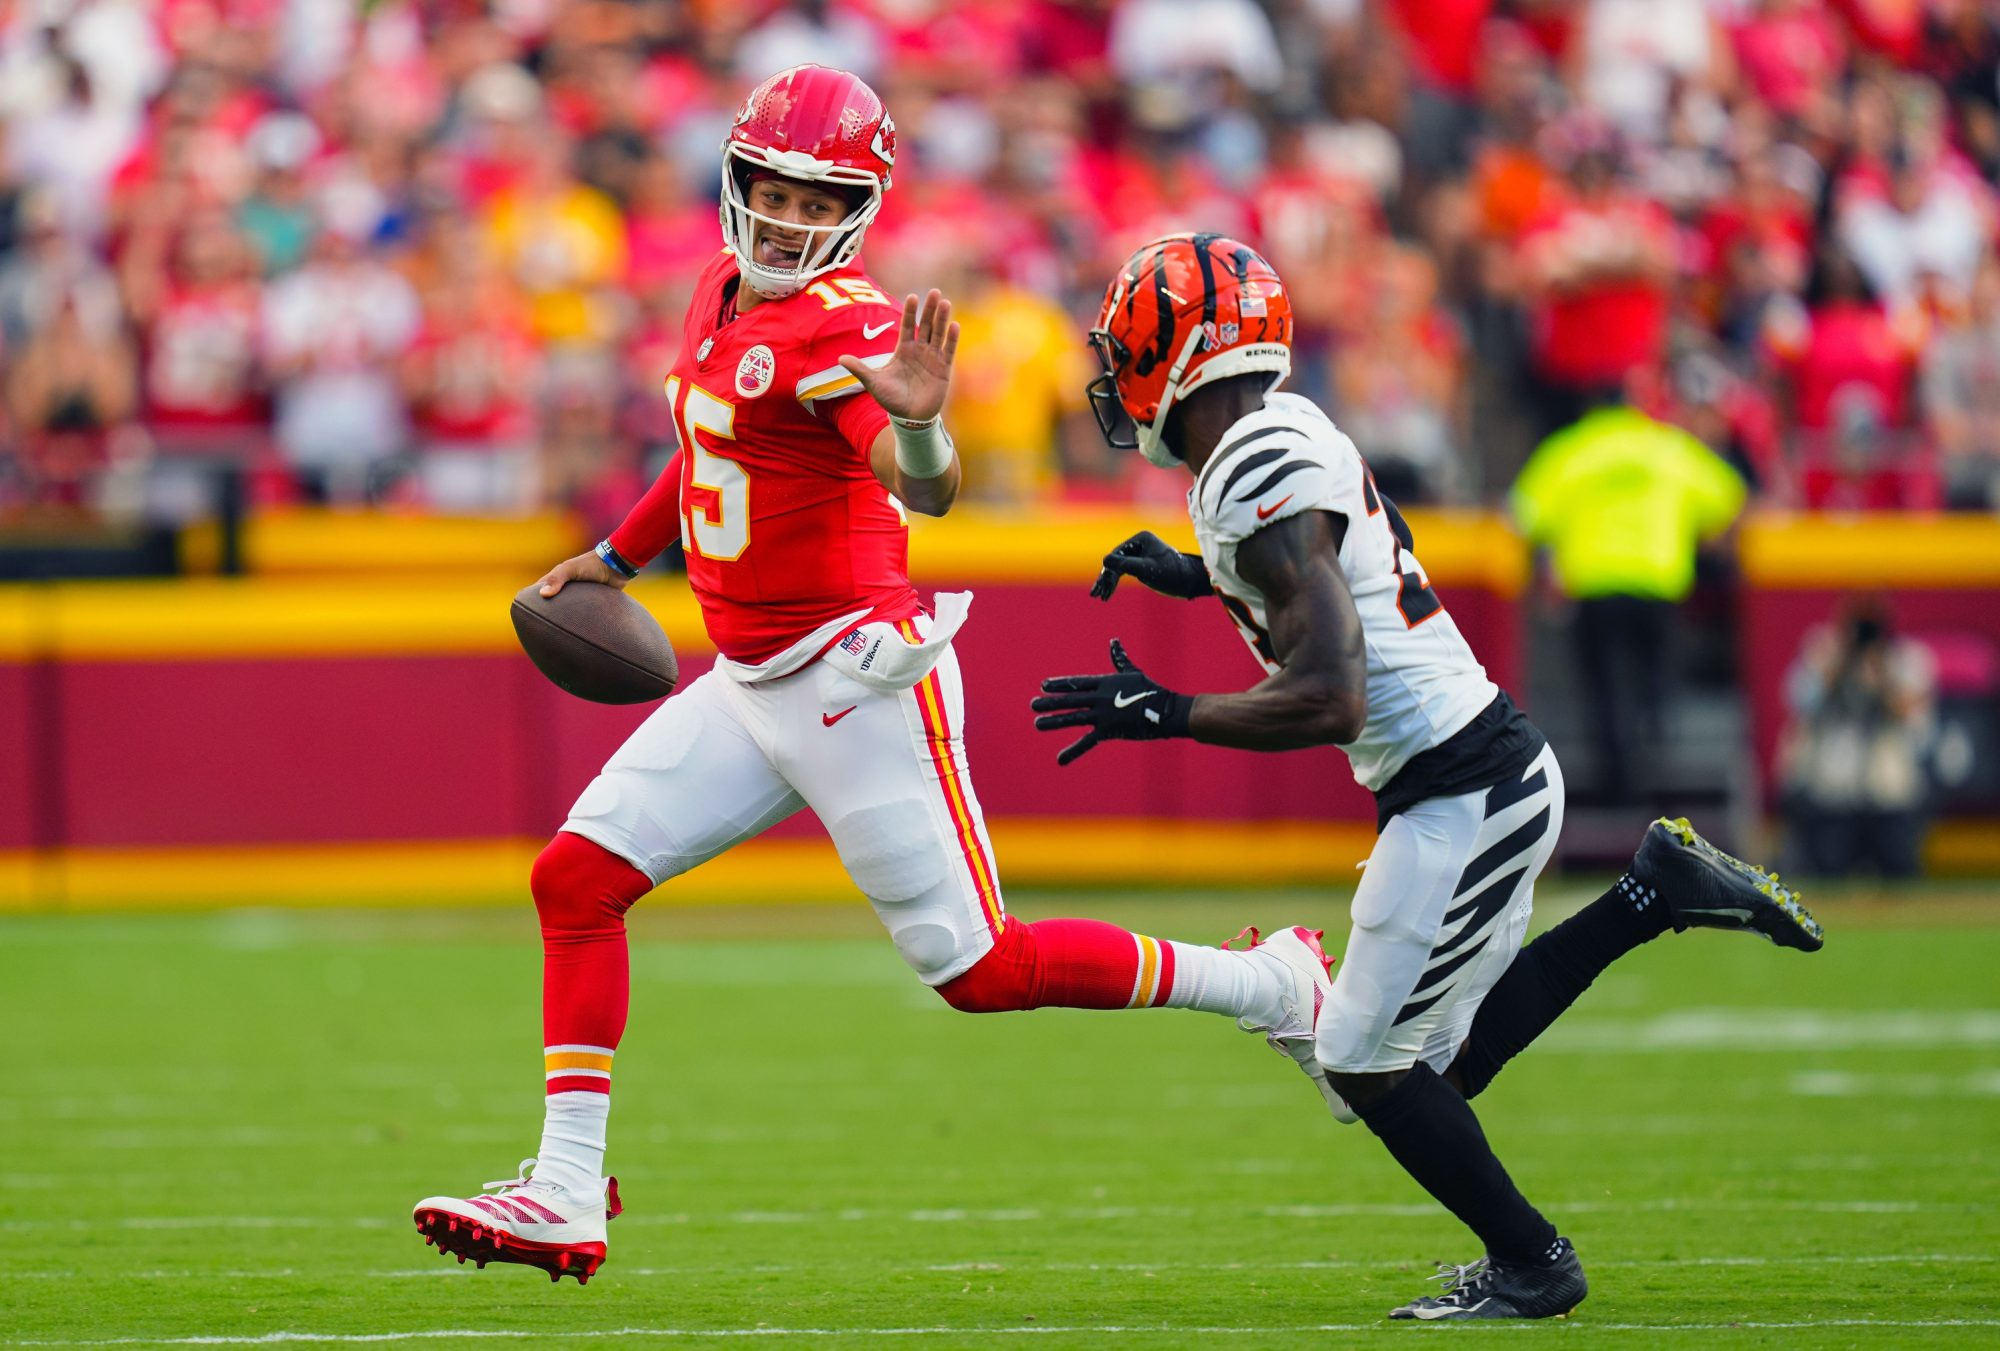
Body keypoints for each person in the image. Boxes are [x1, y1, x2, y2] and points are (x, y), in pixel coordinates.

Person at [410, 68, 1330, 1286]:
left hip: (852, 676)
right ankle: (567, 1188)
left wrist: (919, 423)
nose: (787, 219)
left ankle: (1269, 982)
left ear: (858, 206)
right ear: (736, 183)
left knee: (981, 970)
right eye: (771, 190)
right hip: (746, 677)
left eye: (816, 197)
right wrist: (619, 555)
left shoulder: (850, 326)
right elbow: (705, 445)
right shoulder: (716, 288)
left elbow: (926, 489)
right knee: (574, 879)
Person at [1034, 233, 1825, 1322]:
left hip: (1465, 790)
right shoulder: (1281, 433)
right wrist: (1201, 574)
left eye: (1126, 344)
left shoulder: (1256, 467)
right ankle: (1653, 891)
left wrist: (1166, 711)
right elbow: (1329, 576)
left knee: (1364, 1066)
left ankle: (1535, 1262)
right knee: (1423, 1069)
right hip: (1467, 779)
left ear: (1186, 352)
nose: (1114, 370)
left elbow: (1328, 697)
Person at [1509, 392, 1747, 797]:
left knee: (1603, 686)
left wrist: (1547, 572)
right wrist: (1704, 542)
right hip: (1658, 579)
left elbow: (1522, 514)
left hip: (1594, 581)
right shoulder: (1667, 446)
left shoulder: (1572, 448)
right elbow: (1731, 500)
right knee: (1655, 676)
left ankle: (1617, 774)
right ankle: (1655, 754)